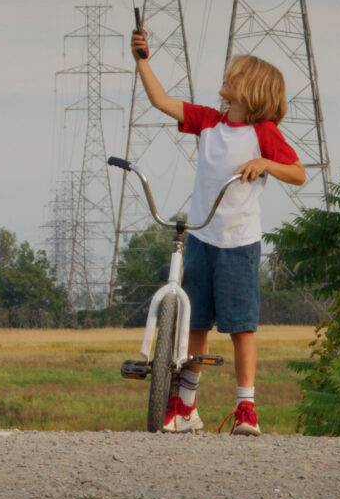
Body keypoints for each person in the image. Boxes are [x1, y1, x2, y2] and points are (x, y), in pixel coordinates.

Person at [130, 29, 306, 435]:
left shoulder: (263, 133)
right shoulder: (209, 121)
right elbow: (161, 101)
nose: (227, 78)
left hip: (238, 243)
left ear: (254, 90)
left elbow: (297, 173)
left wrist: (265, 163)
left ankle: (246, 408)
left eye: (236, 75)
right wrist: (142, 61)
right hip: (202, 238)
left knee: (241, 327)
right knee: (196, 324)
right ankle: (186, 406)